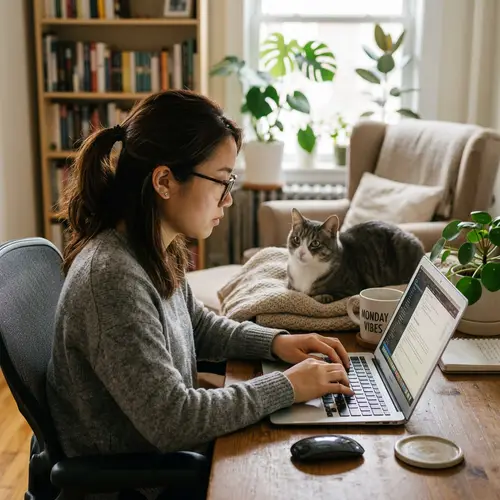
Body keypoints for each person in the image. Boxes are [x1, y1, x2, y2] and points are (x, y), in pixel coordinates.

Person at [46, 89, 353, 498]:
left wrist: (279, 343)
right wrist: (288, 386)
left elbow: (196, 323)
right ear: (164, 180)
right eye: (222, 181)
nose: (228, 198)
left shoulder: (153, 245)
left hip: (169, 460)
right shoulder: (112, 279)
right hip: (143, 484)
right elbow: (173, 420)